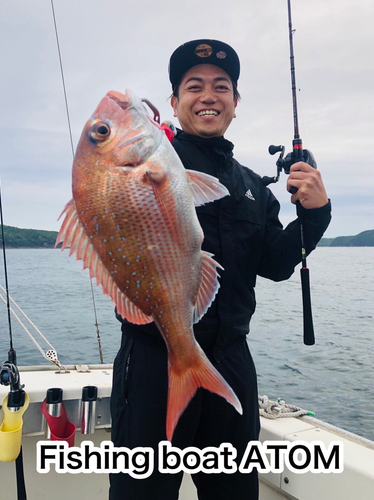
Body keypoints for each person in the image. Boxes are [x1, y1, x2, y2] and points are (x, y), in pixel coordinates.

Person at [109, 39, 331, 500]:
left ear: (235, 104)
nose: (208, 95)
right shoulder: (146, 167)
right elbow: (107, 220)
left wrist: (315, 214)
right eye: (194, 86)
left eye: (221, 87)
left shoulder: (253, 187)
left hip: (230, 362)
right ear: (172, 103)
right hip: (151, 357)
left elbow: (276, 264)